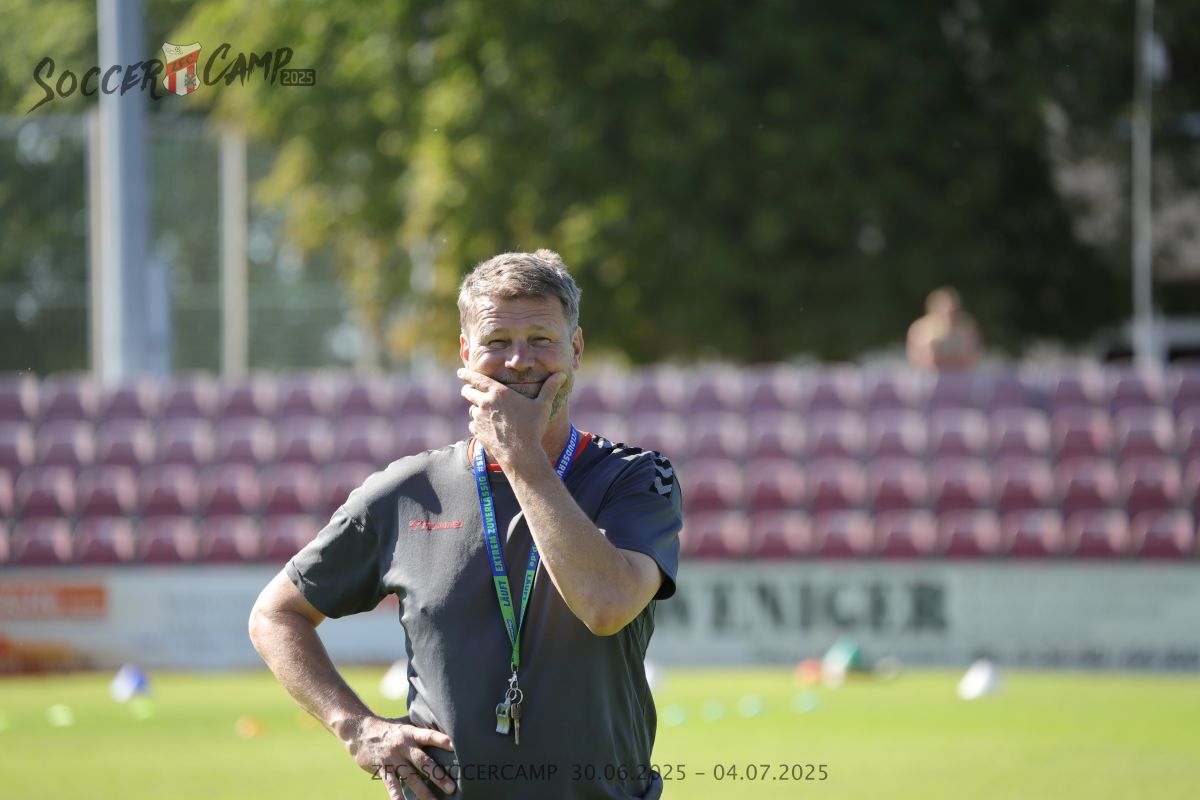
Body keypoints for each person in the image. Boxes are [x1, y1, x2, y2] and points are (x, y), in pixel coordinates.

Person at [248, 249, 682, 800]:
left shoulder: (636, 477)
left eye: (541, 339)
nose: (519, 361)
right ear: (465, 353)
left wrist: (521, 456)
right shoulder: (407, 490)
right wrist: (355, 727)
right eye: (497, 341)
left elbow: (605, 605)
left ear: (575, 349)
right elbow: (275, 615)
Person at [906, 287, 982, 372]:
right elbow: (926, 359)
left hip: (960, 375)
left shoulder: (966, 327)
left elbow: (971, 356)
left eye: (952, 310)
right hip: (930, 375)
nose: (948, 316)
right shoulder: (921, 329)